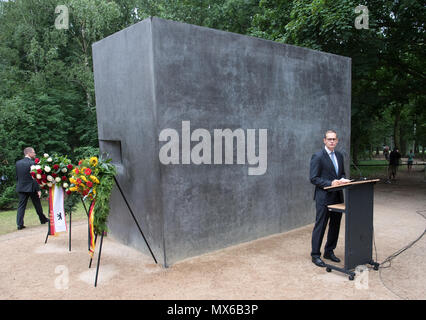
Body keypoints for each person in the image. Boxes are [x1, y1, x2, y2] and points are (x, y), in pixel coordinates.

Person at [309, 130, 350, 267]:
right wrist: (330, 183)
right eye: (329, 139)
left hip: (337, 196)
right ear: (324, 141)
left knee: (335, 225)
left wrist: (343, 180)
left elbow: (341, 173)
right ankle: (315, 255)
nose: (332, 141)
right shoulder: (318, 156)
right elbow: (313, 178)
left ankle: (329, 251)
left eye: (334, 139)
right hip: (324, 197)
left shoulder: (339, 155)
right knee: (321, 226)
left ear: (337, 141)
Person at [15, 147, 49, 230]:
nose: (35, 154)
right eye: (33, 152)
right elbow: (34, 177)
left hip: (21, 187)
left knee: (21, 206)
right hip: (31, 187)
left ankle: (19, 224)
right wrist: (38, 189)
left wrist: (19, 185)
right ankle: (43, 220)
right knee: (37, 205)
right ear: (28, 153)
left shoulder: (18, 163)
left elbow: (17, 176)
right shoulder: (32, 163)